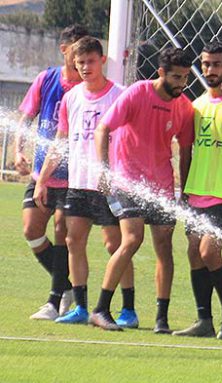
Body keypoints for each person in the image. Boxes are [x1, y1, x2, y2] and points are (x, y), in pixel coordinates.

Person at [33, 37, 137, 327]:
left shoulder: (120, 94)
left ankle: (128, 308)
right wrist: (43, 179)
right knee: (72, 240)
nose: (85, 67)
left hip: (109, 184)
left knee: (114, 244)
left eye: (90, 61)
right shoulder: (71, 97)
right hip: (78, 182)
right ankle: (80, 307)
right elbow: (61, 140)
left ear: (102, 61)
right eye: (80, 63)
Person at [90, 47, 195, 333]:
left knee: (165, 247)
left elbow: (186, 151)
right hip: (127, 180)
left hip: (161, 185)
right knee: (132, 239)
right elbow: (103, 129)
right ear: (161, 73)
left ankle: (161, 319)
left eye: (185, 77)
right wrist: (104, 170)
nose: (181, 83)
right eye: (176, 76)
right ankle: (100, 309)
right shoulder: (138, 92)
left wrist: (184, 191)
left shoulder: (184, 106)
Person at [172, 41, 222, 339]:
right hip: (197, 192)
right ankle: (204, 320)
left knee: (209, 251)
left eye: (216, 64)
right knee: (194, 253)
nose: (210, 70)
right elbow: (186, 152)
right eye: (205, 64)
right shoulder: (196, 106)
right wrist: (184, 191)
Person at [16, 24, 89, 320]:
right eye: (76, 52)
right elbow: (26, 117)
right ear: (65, 50)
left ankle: (54, 299)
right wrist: (18, 150)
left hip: (73, 177)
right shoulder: (46, 79)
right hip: (41, 172)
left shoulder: (86, 87)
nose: (80, 60)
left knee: (62, 232)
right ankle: (68, 286)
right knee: (32, 230)